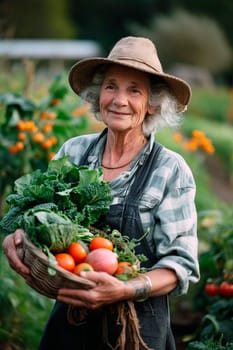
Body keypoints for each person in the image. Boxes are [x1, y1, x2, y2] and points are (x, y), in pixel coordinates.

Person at [2, 36, 200, 350]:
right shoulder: (74, 151)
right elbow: (39, 216)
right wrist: (16, 238)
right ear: (98, 95)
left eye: (134, 89)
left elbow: (181, 265)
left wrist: (126, 288)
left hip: (136, 330)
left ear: (152, 103)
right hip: (71, 321)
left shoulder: (169, 169)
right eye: (111, 86)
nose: (119, 100)